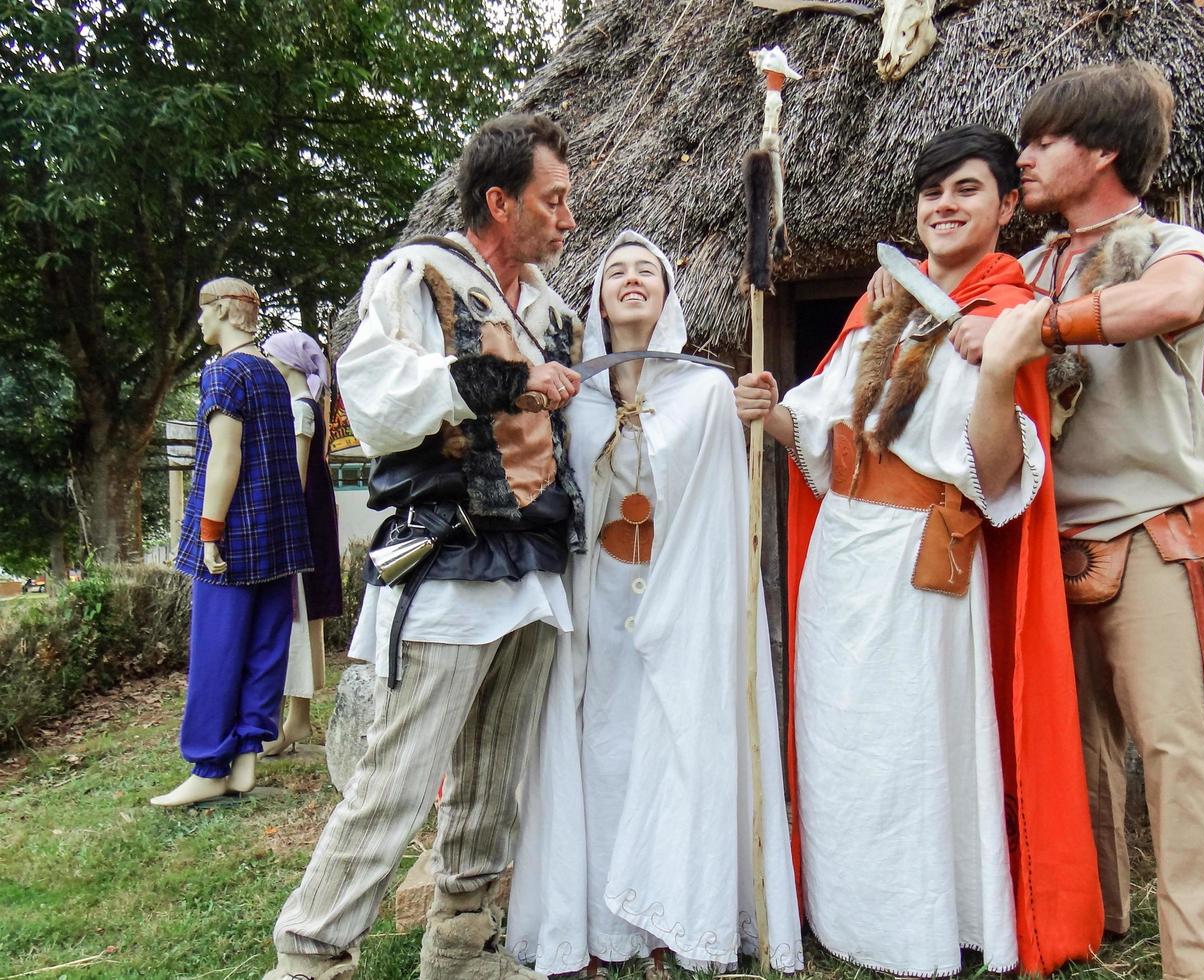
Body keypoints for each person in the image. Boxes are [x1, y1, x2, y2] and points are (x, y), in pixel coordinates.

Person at [737, 126, 1102, 976]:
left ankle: (924, 924)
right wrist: (767, 409)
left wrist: (1000, 370)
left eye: (966, 189)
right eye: (932, 191)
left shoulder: (1007, 312)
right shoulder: (880, 306)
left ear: (1006, 205)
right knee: (841, 730)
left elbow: (1001, 472)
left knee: (914, 741)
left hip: (923, 557)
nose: (943, 205)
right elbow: (821, 433)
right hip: (843, 552)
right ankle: (844, 910)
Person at [263, 112, 584, 980]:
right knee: (398, 777)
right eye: (551, 201)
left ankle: (459, 944)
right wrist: (507, 379)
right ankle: (310, 959)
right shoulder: (421, 274)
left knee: (492, 775)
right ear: (499, 200)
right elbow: (375, 396)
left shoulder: (551, 308)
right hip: (447, 557)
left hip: (533, 563)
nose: (566, 217)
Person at [506, 231, 804, 977]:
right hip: (595, 597)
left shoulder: (705, 391)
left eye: (648, 271)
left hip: (681, 600)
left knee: (674, 744)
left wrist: (751, 408)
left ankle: (681, 908)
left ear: (669, 296)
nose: (632, 279)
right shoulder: (574, 396)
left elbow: (715, 508)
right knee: (603, 747)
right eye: (616, 271)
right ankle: (603, 921)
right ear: (598, 297)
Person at [1009, 61, 1204, 980]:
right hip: (1039, 540)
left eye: (1043, 141)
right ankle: (1087, 925)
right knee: (1073, 757)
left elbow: (1177, 301)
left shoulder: (1171, 244)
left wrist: (1043, 329)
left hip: (1148, 531)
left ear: (1102, 149)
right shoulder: (1025, 264)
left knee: (1177, 749)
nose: (1022, 158)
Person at [151, 278, 312, 807]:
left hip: (235, 532)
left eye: (201, 311)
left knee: (218, 649)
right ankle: (246, 755)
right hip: (277, 532)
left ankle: (208, 764)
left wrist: (210, 531)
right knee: (266, 644)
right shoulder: (269, 371)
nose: (198, 322)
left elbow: (225, 456)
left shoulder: (223, 371)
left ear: (221, 310)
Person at [261, 329, 342, 756]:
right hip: (309, 522)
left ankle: (294, 720)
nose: (267, 363)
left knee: (295, 614)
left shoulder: (299, 409)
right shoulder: (306, 406)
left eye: (271, 356)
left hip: (298, 526)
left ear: (288, 362)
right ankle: (297, 718)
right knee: (302, 617)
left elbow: (293, 477)